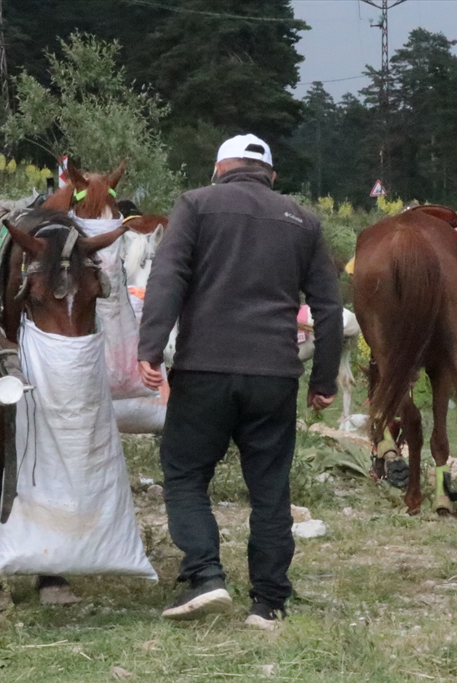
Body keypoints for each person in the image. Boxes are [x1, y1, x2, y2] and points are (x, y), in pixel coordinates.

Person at [137, 134, 342, 629]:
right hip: (273, 375)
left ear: (220, 169)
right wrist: (324, 379)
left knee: (186, 477)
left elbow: (168, 278)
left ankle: (206, 577)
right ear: (270, 175)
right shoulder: (303, 220)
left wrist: (150, 348)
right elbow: (328, 307)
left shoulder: (196, 205)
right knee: (270, 488)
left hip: (203, 369)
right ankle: (268, 603)